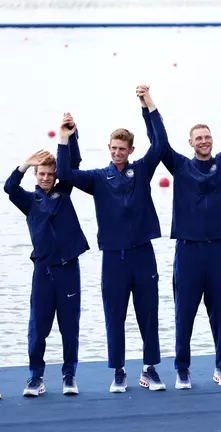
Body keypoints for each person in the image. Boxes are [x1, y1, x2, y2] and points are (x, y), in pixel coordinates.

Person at [139, 75, 221, 389]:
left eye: (207, 137)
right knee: (184, 315)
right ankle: (182, 370)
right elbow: (159, 141)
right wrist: (148, 105)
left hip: (216, 250)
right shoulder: (179, 166)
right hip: (188, 252)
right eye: (198, 138)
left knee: (220, 314)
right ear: (190, 143)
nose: (204, 141)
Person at [56, 86, 169, 392]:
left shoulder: (142, 170)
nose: (118, 152)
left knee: (149, 314)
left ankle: (149, 370)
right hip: (113, 259)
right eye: (114, 148)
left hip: (143, 254)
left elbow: (160, 143)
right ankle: (119, 372)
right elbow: (65, 173)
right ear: (109, 148)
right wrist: (66, 138)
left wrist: (148, 105)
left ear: (130, 150)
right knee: (114, 316)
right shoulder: (97, 178)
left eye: (122, 148)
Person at [4, 114, 88, 396]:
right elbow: (9, 187)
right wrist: (25, 163)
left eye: (50, 174)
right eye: (41, 174)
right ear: (36, 175)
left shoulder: (64, 191)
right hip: (43, 272)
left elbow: (72, 164)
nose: (46, 178)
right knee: (38, 327)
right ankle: (35, 377)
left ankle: (69, 375)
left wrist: (70, 136)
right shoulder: (29, 200)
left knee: (69, 326)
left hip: (68, 269)